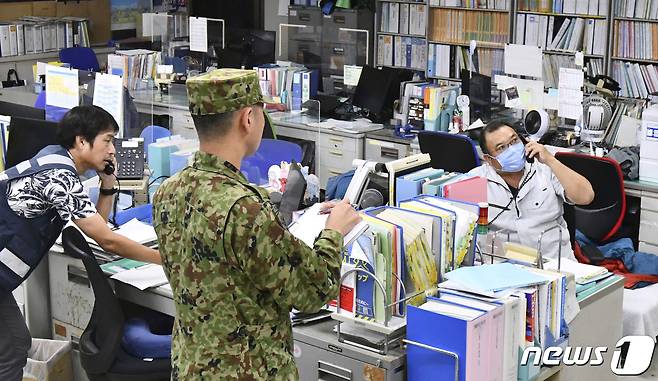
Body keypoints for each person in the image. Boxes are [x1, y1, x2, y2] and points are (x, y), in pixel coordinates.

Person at [152, 68, 361, 380]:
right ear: (248, 118)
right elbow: (313, 291)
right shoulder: (245, 209)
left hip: (190, 367)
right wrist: (333, 232)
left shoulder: (168, 190)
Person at [0, 105, 161, 381]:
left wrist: (108, 183)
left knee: (16, 345)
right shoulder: (59, 175)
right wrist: (164, 259)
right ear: (82, 141)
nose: (113, 150)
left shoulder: (54, 159)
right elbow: (107, 240)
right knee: (12, 352)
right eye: (108, 140)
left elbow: (93, 225)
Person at [469, 119, 595, 261]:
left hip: (554, 265)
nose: (511, 149)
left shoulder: (545, 168)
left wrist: (550, 160)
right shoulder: (474, 181)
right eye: (501, 148)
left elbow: (586, 197)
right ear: (488, 159)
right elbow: (461, 234)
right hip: (505, 270)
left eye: (514, 141)